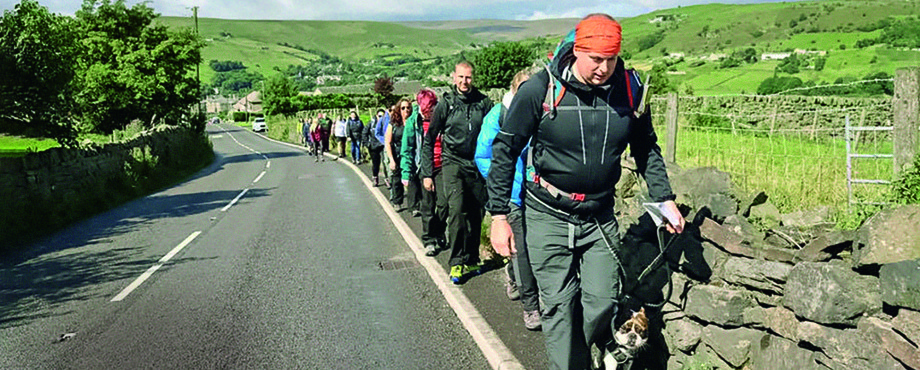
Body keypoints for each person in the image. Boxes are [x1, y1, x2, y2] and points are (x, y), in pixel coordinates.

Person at [485, 14, 685, 370]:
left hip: (599, 217)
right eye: (595, 59)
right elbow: (504, 150)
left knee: (602, 302)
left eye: (611, 58)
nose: (603, 68)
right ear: (577, 50)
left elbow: (646, 147)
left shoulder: (630, 88)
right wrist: (499, 216)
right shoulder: (540, 89)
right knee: (559, 308)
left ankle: (587, 353)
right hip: (547, 213)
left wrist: (664, 197)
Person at [475, 69, 542, 331]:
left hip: (539, 195)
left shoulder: (542, 111)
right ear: (515, 91)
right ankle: (531, 307)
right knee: (522, 251)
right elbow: (483, 156)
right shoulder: (498, 116)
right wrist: (504, 184)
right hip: (513, 195)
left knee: (537, 249)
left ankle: (513, 275)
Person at [421, 61, 493, 284]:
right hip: (452, 163)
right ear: (454, 77)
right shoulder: (446, 104)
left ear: (473, 78)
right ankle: (456, 262)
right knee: (458, 211)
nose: (464, 82)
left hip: (477, 165)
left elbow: (495, 133)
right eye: (461, 77)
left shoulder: (484, 103)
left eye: (468, 77)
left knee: (476, 213)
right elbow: (430, 138)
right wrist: (427, 172)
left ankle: (472, 257)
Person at [402, 89, 447, 256]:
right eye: (426, 111)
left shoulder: (442, 118)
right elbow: (407, 149)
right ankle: (429, 240)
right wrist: (406, 173)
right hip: (424, 167)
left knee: (444, 203)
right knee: (427, 206)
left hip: (442, 165)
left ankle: (439, 231)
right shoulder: (413, 123)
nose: (429, 114)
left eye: (432, 109)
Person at [386, 100, 411, 210]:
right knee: (397, 179)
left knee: (413, 180)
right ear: (398, 110)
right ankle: (397, 201)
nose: (406, 110)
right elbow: (387, 142)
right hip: (397, 154)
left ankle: (415, 205)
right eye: (403, 108)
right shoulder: (394, 124)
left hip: (410, 155)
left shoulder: (413, 122)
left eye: (408, 107)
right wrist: (391, 159)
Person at [364, 109, 387, 186]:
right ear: (376, 116)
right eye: (380, 116)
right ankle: (375, 178)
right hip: (373, 147)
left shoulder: (386, 124)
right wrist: (367, 144)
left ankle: (387, 179)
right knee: (376, 163)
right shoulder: (371, 123)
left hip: (383, 145)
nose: (381, 118)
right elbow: (364, 133)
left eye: (383, 116)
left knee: (385, 162)